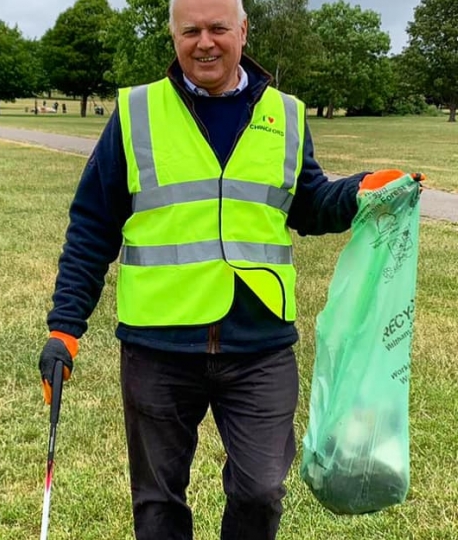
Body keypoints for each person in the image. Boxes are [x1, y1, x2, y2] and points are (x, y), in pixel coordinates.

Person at [37, 0, 423, 539]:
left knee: (261, 491)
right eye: (190, 30)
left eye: (218, 27)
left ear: (243, 30)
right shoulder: (136, 114)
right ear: (173, 36)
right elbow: (91, 227)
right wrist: (65, 329)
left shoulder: (285, 114)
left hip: (259, 347)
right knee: (157, 503)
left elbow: (307, 203)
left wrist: (360, 191)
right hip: (158, 347)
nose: (205, 42)